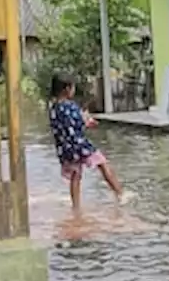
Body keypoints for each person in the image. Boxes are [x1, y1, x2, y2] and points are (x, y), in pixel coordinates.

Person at [48, 74, 127, 209]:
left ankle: (76, 206)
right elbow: (78, 123)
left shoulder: (54, 107)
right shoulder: (70, 106)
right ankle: (120, 194)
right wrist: (87, 121)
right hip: (79, 144)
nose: (74, 91)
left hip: (66, 148)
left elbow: (62, 126)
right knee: (102, 163)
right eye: (72, 88)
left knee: (75, 175)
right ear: (67, 89)